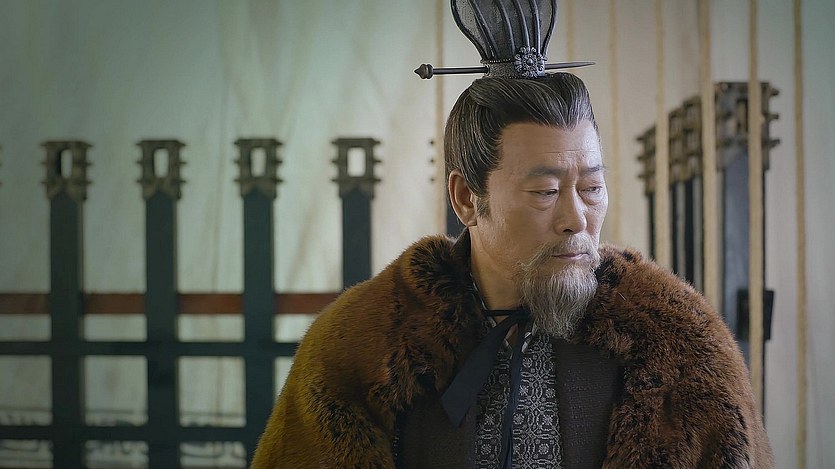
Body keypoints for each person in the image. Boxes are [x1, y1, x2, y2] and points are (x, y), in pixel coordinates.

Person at [252, 2, 773, 468]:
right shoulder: (363, 347)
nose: (576, 219)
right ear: (465, 198)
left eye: (592, 188)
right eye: (545, 191)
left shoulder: (675, 343)